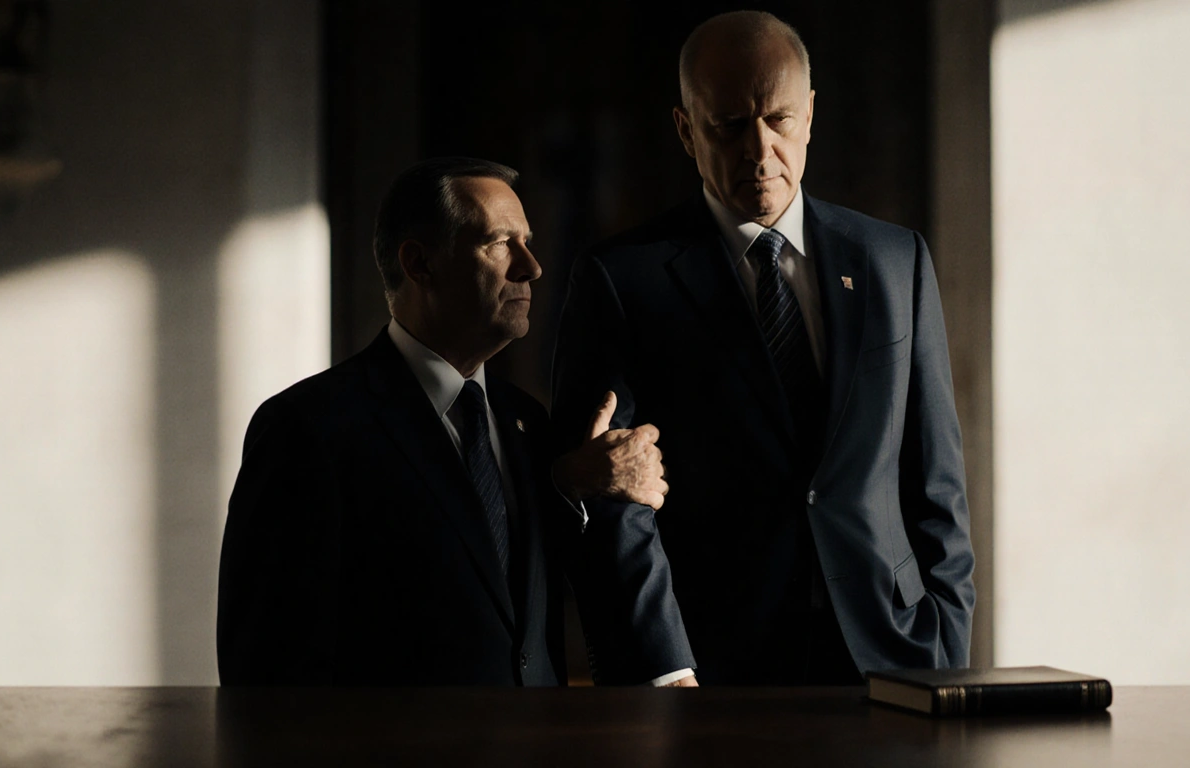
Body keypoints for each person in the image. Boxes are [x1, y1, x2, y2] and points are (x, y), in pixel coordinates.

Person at [552, 11, 975, 685]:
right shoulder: (620, 278)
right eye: (728, 125)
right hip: (714, 665)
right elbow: (612, 489)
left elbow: (936, 479)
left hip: (894, 654)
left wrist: (947, 642)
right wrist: (665, 664)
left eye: (778, 119)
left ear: (809, 116)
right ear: (686, 130)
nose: (759, 149)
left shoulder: (896, 260)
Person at [217, 157, 670, 686]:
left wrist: (581, 487)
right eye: (500, 243)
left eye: (527, 242)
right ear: (419, 264)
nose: (531, 266)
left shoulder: (525, 422)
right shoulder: (307, 428)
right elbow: (265, 669)